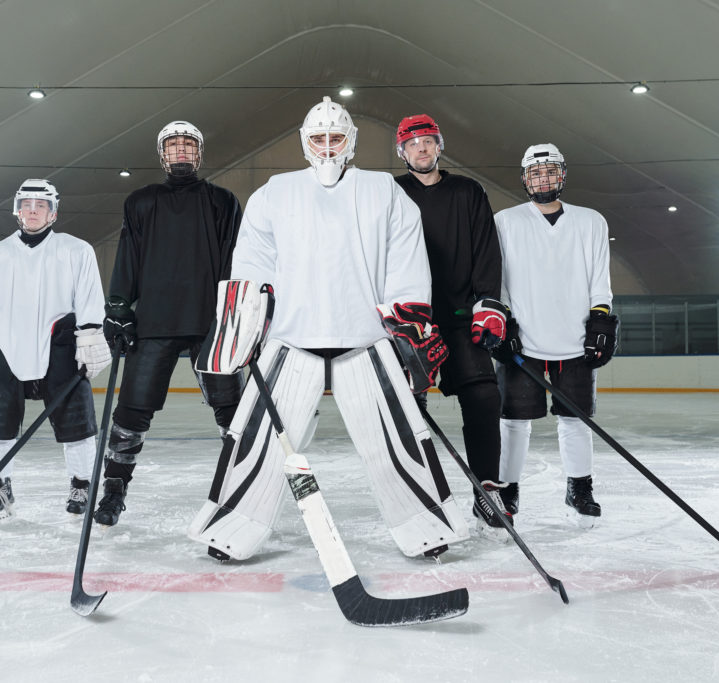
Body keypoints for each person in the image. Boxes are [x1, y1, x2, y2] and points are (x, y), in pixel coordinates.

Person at [188, 96, 469, 562]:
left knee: (396, 438)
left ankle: (426, 526)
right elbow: (252, 262)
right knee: (257, 438)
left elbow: (406, 259)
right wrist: (247, 326)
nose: (326, 147)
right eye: (317, 139)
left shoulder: (383, 190)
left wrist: (409, 325)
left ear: (351, 142)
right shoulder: (275, 192)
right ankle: (230, 529)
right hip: (291, 341)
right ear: (304, 143)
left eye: (335, 138)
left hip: (365, 338)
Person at [94, 121, 244, 527]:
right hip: (155, 319)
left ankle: (242, 485)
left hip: (210, 318)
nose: (181, 151)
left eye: (188, 145)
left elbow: (235, 259)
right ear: (162, 154)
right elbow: (127, 257)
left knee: (231, 409)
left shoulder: (222, 201)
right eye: (173, 146)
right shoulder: (142, 202)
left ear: (199, 153)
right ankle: (114, 488)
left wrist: (239, 314)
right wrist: (119, 309)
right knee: (131, 410)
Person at [0, 179, 110, 524]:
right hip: (7, 348)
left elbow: (90, 300)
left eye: (39, 206)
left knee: (77, 426)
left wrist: (90, 338)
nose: (32, 211)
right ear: (17, 210)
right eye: (26, 205)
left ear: (52, 212)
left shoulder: (76, 250)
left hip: (59, 347)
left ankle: (82, 485)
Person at [392, 114, 510, 530]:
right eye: (413, 143)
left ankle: (487, 490)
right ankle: (420, 492)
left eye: (428, 141)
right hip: (409, 320)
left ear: (439, 146)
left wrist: (488, 304)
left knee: (483, 398)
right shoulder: (390, 193)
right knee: (409, 408)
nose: (421, 149)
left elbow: (485, 250)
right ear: (402, 151)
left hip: (461, 316)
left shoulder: (467, 191)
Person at [493, 144, 619, 527]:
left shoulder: (591, 221)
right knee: (513, 421)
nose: (542, 179)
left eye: (549, 172)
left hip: (575, 340)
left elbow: (600, 276)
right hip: (523, 341)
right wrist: (504, 321)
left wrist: (601, 318)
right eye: (535, 173)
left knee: (575, 420)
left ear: (562, 175)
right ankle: (507, 489)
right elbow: (497, 279)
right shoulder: (505, 221)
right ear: (525, 179)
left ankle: (579, 488)